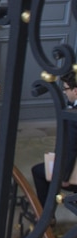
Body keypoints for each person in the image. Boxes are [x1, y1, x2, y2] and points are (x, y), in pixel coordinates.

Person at [31, 74, 77, 209]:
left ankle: (46, 216)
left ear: (75, 91)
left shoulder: (73, 115)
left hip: (73, 170)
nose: (63, 92)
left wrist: (64, 176)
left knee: (38, 172)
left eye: (66, 89)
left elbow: (71, 147)